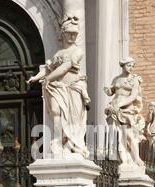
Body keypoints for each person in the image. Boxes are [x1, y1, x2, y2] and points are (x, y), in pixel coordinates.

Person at [27, 15, 90, 158]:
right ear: (63, 33)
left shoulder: (77, 51)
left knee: (71, 118)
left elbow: (65, 68)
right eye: (70, 33)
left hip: (72, 88)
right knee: (56, 113)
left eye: (75, 34)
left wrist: (48, 79)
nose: (73, 36)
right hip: (57, 87)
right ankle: (58, 140)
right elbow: (48, 69)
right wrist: (35, 78)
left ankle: (71, 145)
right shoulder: (58, 53)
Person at [104, 57, 145, 167]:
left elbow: (133, 96)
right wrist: (108, 90)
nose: (131, 68)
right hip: (114, 106)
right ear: (123, 65)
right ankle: (123, 158)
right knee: (116, 134)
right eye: (129, 65)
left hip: (126, 107)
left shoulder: (135, 80)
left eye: (132, 66)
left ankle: (136, 158)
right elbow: (112, 91)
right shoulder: (116, 79)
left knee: (128, 134)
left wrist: (120, 105)